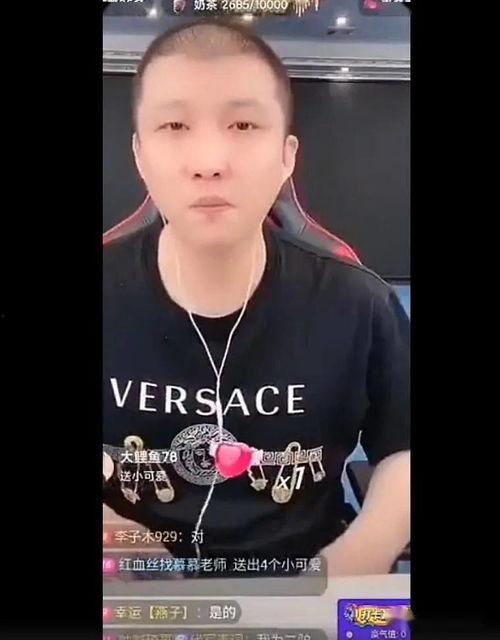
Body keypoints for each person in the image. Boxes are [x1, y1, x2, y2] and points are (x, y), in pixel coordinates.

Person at [103, 18, 410, 579]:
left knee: (381, 617)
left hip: (310, 578)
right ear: (140, 155)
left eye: (243, 124)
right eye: (174, 125)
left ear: (287, 156)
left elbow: (403, 449)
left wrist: (358, 557)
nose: (209, 160)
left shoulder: (358, 303)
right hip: (130, 587)